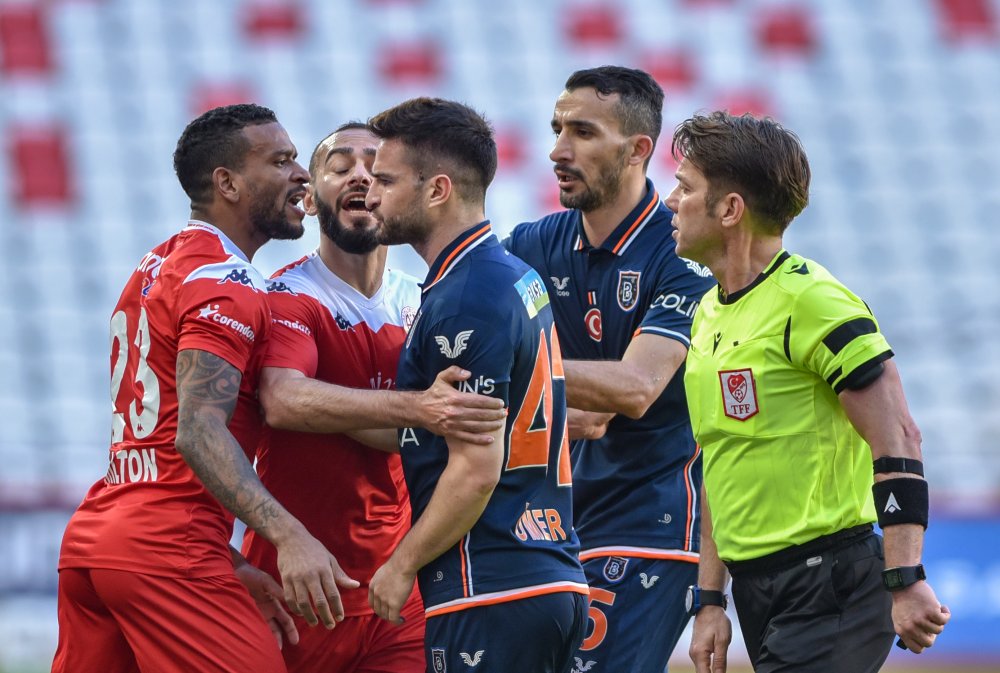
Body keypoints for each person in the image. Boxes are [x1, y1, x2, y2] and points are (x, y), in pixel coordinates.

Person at [53, 103, 360, 673]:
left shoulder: (157, 264)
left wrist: (232, 559)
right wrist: (289, 537)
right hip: (169, 548)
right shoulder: (228, 281)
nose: (301, 175)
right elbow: (196, 431)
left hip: (98, 537)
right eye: (281, 161)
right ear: (228, 183)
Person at [666, 111, 951, 673]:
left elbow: (898, 437)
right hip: (756, 590)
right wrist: (710, 600)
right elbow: (721, 461)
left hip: (833, 583)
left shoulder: (814, 301)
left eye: (685, 187)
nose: (671, 201)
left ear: (730, 209)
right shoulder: (706, 314)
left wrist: (905, 577)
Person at [242, 121, 506, 673]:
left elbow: (423, 429)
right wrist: (420, 408)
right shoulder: (287, 296)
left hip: (399, 588)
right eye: (341, 166)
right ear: (310, 199)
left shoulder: (426, 301)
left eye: (377, 169)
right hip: (301, 585)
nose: (361, 176)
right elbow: (283, 400)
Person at [363, 97, 590, 673]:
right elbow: (436, 430)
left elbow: (475, 468)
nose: (370, 196)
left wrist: (401, 565)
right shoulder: (511, 275)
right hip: (542, 573)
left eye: (385, 181)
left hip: (490, 585)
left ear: (437, 190)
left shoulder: (465, 296)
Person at [504, 65, 715, 673]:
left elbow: (635, 388)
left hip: (649, 518)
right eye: (556, 129)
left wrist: (521, 371)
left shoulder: (682, 252)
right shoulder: (530, 245)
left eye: (583, 132)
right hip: (550, 518)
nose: (557, 150)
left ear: (637, 149)